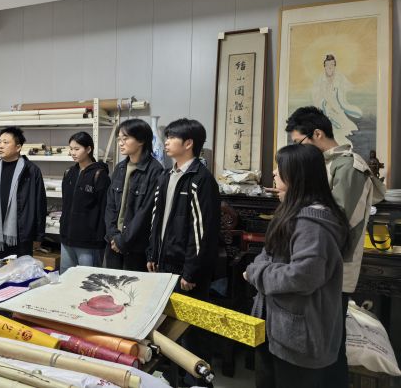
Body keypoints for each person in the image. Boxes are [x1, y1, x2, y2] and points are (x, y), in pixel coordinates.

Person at [285, 106, 385, 387]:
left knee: (329, 346)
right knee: (318, 342)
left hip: (334, 268)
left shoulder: (349, 167)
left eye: (299, 142)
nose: (299, 149)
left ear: (317, 134)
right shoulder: (327, 164)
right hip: (318, 264)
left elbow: (337, 222)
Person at [245, 144, 349, 388]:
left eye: (279, 168)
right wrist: (260, 268)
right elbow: (266, 254)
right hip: (278, 329)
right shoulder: (292, 213)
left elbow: (303, 276)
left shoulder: (312, 224)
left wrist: (255, 273)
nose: (274, 173)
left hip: (299, 338)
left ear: (297, 176)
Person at [146, 118, 220, 299]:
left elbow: (202, 231)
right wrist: (152, 254)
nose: (167, 142)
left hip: (185, 270)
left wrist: (191, 270)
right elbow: (156, 218)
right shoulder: (165, 176)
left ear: (188, 143)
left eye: (172, 137)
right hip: (162, 263)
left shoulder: (201, 179)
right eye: (167, 137)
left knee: (185, 315)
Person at [0, 127, 46, 260]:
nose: (0, 146)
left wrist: (38, 236)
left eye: (6, 142)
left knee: (21, 271)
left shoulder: (31, 171)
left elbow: (40, 205)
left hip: (22, 236)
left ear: (18, 147)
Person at [104, 119, 163, 271]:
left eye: (125, 138)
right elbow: (110, 205)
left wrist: (123, 240)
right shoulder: (120, 168)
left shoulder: (155, 170)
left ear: (141, 140)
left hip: (136, 247)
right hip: (113, 244)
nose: (120, 143)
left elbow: (145, 212)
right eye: (119, 139)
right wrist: (113, 236)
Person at [59, 132, 110, 274]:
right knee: (65, 278)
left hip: (89, 241)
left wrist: (100, 239)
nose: (72, 153)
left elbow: (104, 209)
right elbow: (66, 205)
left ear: (88, 149)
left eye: (77, 149)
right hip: (67, 239)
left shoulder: (99, 175)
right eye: (71, 149)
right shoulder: (69, 173)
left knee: (87, 279)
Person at [311, 54, 362, 146]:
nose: (330, 67)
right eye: (328, 65)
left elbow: (349, 87)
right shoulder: (319, 79)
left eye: (332, 64)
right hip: (325, 106)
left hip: (336, 105)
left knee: (346, 125)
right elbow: (315, 96)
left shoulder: (339, 77)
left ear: (334, 66)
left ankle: (341, 140)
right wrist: (324, 103)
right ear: (324, 66)